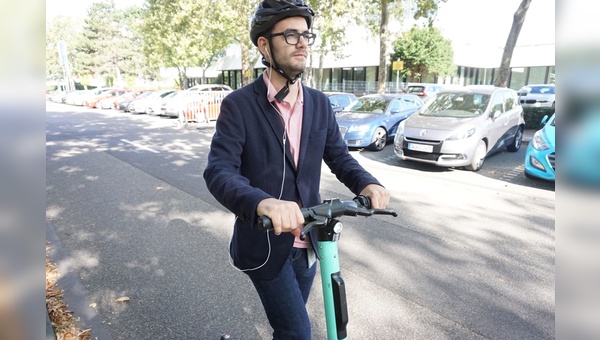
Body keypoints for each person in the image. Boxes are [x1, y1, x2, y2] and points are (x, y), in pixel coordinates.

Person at [203, 1, 390, 338]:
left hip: (311, 242)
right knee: (298, 331)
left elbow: (339, 156)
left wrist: (367, 182)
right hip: (264, 243)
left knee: (289, 327)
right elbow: (219, 171)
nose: (302, 42)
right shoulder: (240, 105)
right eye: (291, 35)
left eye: (306, 35)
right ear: (265, 45)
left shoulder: (319, 103)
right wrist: (262, 202)